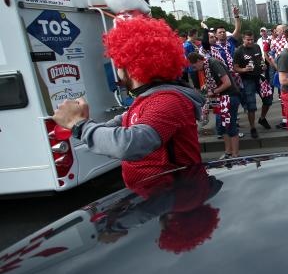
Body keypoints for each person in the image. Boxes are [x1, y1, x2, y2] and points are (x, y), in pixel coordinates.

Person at [52, 17, 204, 189]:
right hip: (159, 195)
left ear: (130, 66)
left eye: (118, 62)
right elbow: (115, 130)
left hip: (177, 197)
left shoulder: (167, 100)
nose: (117, 69)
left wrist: (80, 125)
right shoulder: (149, 99)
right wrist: (81, 122)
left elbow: (129, 144)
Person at [188, 52, 241, 159]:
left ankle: (235, 154)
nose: (195, 69)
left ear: (198, 61)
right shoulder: (206, 67)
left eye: (194, 66)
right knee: (221, 126)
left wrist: (213, 91)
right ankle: (228, 152)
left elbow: (227, 83)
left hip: (228, 96)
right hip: (219, 98)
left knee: (229, 125)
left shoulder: (213, 63)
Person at [233, 30, 266, 138]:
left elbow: (260, 59)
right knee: (251, 105)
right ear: (243, 39)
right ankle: (253, 128)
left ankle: (262, 118)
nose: (250, 41)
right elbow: (235, 68)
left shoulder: (257, 47)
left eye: (252, 39)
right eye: (248, 40)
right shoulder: (239, 51)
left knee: (268, 99)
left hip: (260, 77)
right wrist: (244, 69)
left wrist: (263, 65)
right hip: (247, 80)